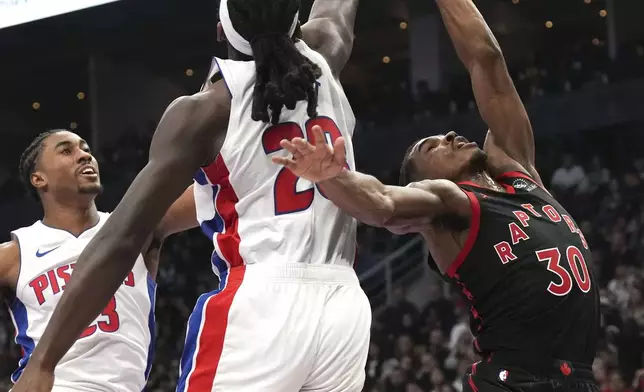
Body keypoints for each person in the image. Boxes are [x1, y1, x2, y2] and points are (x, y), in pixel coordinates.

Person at [13, 0, 367, 391]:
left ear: (221, 30)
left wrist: (43, 362)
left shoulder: (208, 108)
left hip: (262, 302)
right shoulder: (328, 56)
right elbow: (336, 13)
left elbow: (120, 240)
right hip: (344, 303)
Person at [272, 0, 600, 391]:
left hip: (578, 378)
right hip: (514, 380)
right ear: (424, 179)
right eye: (432, 147)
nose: (448, 135)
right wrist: (331, 177)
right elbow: (383, 205)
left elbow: (487, 59)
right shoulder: (451, 203)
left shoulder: (520, 171)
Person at [0, 130, 197, 391]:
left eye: (86, 149)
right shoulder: (15, 253)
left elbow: (217, 196)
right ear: (39, 178)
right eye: (66, 151)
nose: (84, 156)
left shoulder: (135, 228)